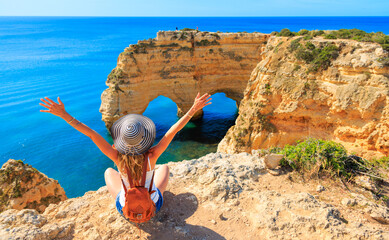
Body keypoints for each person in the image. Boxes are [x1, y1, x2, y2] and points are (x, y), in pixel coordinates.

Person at [39, 93, 212, 219]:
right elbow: (173, 131)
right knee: (165, 168)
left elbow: (91, 133)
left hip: (125, 210)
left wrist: (64, 114)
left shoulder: (117, 158)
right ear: (146, 141)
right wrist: (192, 110)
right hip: (152, 207)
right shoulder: (152, 156)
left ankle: (128, 200)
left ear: (120, 144)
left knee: (108, 172)